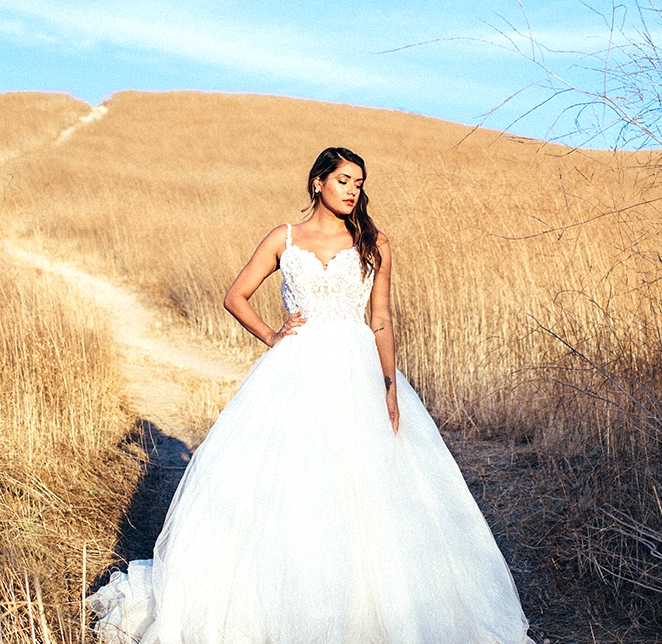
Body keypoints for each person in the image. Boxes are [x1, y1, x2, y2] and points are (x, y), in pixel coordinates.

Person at [88, 147, 533, 643]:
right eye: (343, 179)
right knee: (293, 478)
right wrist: (272, 336)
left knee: (368, 484)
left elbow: (380, 319)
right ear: (318, 182)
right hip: (294, 371)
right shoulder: (285, 238)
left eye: (359, 182)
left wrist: (388, 386)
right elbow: (235, 296)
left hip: (358, 369)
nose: (352, 190)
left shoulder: (375, 242)